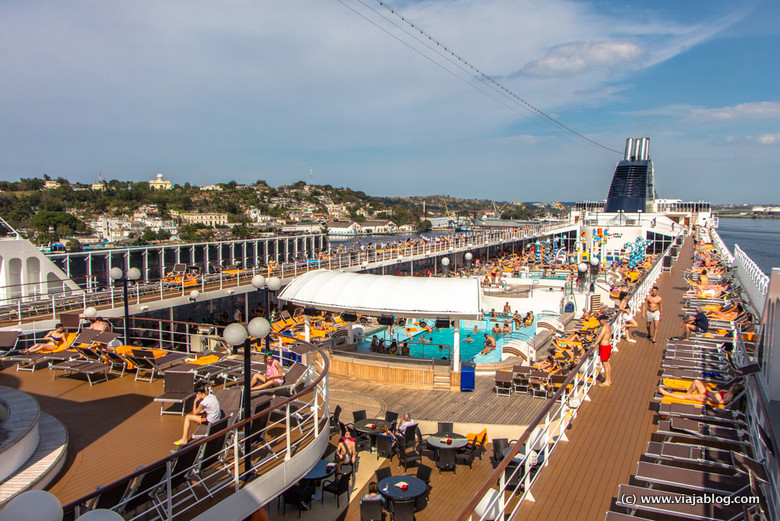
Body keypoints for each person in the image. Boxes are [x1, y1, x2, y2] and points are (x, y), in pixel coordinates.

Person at [659, 380, 742, 406]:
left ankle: (668, 394)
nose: (731, 386)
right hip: (708, 394)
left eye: (732, 386)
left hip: (707, 398)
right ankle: (687, 393)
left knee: (686, 398)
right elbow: (718, 394)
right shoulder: (728, 392)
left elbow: (721, 402)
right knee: (696, 382)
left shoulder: (730, 395)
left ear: (734, 388)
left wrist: (710, 400)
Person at [595, 315, 613, 387]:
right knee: (607, 363)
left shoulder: (605, 327)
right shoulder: (608, 326)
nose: (599, 322)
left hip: (604, 346)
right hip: (607, 346)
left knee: (605, 364)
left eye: (599, 321)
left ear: (602, 320)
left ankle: (607, 381)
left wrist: (595, 343)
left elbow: (600, 336)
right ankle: (608, 380)